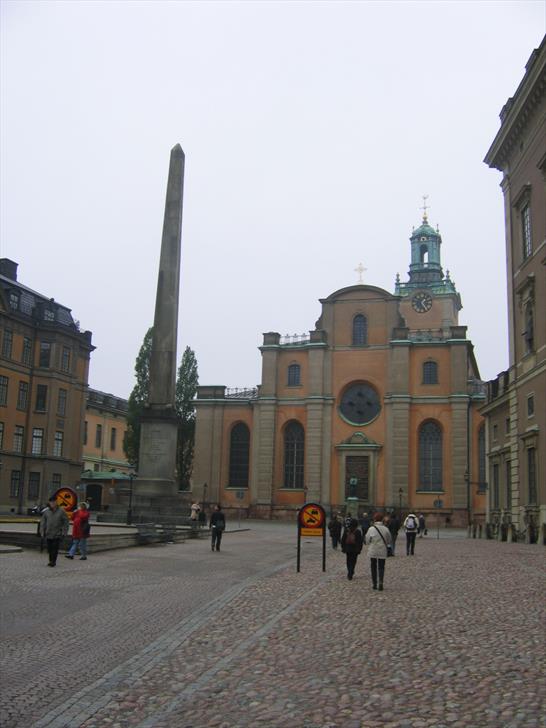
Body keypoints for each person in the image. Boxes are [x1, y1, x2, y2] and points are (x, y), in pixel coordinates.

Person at [365, 512, 392, 591]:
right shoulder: (386, 529)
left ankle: (374, 583)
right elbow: (389, 540)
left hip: (373, 550)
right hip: (382, 550)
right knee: (381, 567)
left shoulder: (371, 529)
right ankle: (380, 582)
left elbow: (366, 541)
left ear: (374, 519)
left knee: (373, 567)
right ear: (382, 519)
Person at [40, 495, 69, 567]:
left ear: (56, 502)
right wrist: (42, 532)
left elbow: (66, 522)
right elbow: (43, 522)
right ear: (49, 503)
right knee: (49, 549)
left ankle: (53, 561)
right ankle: (50, 560)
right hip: (48, 533)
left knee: (55, 548)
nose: (52, 503)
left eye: (54, 502)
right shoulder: (46, 512)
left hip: (57, 533)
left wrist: (64, 532)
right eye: (51, 502)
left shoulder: (61, 511)